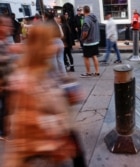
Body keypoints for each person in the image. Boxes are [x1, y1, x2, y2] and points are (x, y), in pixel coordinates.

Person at [3, 23, 86, 167]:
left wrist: (66, 97)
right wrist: (57, 136)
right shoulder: (25, 78)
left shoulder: (45, 68)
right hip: (43, 153)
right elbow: (25, 120)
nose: (56, 46)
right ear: (40, 46)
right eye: (50, 43)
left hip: (55, 146)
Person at [80, 5, 100, 77]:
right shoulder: (94, 18)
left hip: (88, 42)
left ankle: (88, 72)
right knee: (94, 56)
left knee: (86, 57)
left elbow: (85, 32)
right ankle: (97, 71)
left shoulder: (86, 19)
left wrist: (82, 38)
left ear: (84, 11)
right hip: (95, 40)